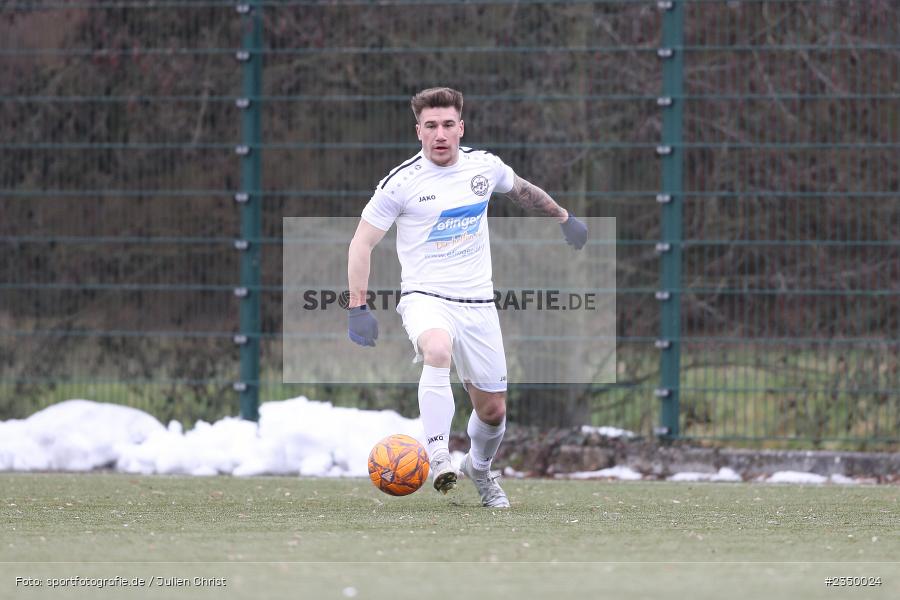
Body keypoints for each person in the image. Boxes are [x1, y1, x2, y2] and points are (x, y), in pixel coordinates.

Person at [347, 87, 587, 508]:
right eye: (430, 126)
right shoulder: (400, 183)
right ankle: (438, 454)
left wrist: (564, 218)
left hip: (477, 304)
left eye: (447, 125)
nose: (440, 134)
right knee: (437, 348)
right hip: (425, 297)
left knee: (493, 411)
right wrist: (358, 306)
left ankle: (478, 467)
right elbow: (361, 243)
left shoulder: (484, 168)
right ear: (418, 131)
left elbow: (523, 190)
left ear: (461, 127)